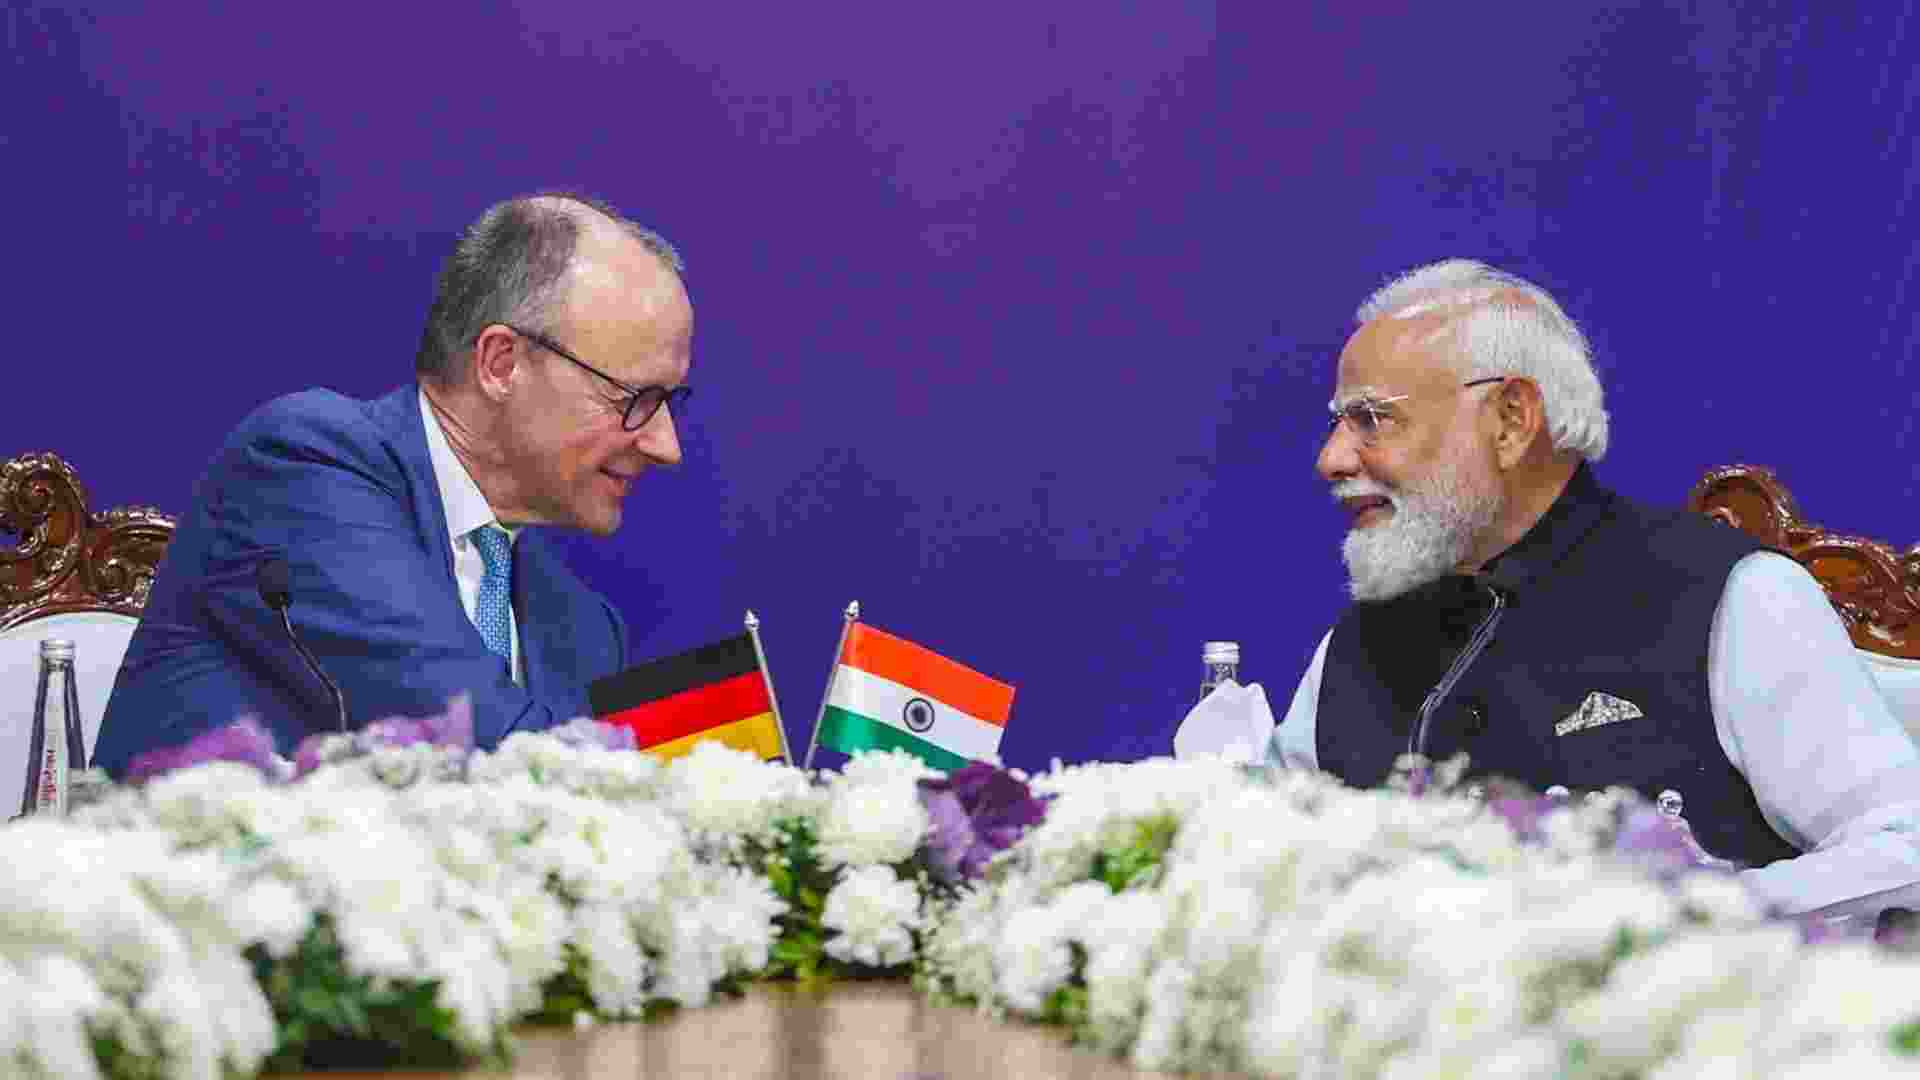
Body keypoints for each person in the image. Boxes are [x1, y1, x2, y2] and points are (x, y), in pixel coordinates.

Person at [1267, 258, 1920, 918]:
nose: (1333, 458)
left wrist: (1687, 921)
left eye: (1371, 419)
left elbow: (1905, 843)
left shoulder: (1729, 598)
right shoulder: (1360, 638)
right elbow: (1264, 854)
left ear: (1512, 418)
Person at [93, 192, 690, 775]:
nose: (667, 446)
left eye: (672, 402)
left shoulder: (585, 628)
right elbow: (475, 744)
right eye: (637, 399)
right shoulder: (305, 467)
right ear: (501, 364)